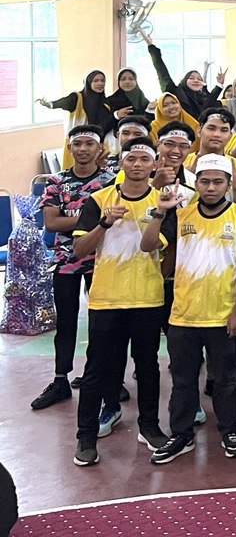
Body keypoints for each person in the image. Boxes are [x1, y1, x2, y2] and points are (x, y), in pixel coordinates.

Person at [141, 155, 236, 463]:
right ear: (197, 184)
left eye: (218, 181)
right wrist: (159, 212)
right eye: (204, 181)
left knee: (225, 379)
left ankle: (230, 430)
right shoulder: (181, 216)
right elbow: (147, 245)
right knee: (182, 379)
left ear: (227, 184)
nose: (210, 188)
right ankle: (181, 435)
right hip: (183, 315)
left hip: (221, 314)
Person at [69, 139, 165, 467]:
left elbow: (151, 246)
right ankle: (85, 435)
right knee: (97, 369)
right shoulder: (98, 200)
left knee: (148, 365)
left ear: (154, 165)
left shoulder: (162, 202)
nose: (137, 164)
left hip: (146, 298)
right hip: (106, 299)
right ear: (120, 163)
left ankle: (149, 427)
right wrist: (104, 223)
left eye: (144, 159)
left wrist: (160, 215)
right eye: (131, 158)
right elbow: (80, 250)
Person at [31, 125, 116, 411]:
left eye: (88, 144)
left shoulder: (111, 181)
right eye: (76, 144)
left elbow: (117, 218)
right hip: (65, 262)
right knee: (66, 323)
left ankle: (104, 379)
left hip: (101, 260)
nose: (82, 149)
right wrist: (93, 218)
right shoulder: (56, 181)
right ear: (69, 148)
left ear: (99, 149)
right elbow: (51, 223)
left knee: (103, 325)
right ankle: (60, 380)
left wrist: (77, 219)